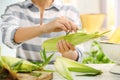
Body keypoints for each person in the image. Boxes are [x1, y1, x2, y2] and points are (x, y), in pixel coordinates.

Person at [0, 0, 83, 62]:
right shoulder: (15, 9)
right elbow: (8, 37)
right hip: (26, 75)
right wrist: (45, 28)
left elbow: (78, 56)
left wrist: (68, 53)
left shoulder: (70, 10)